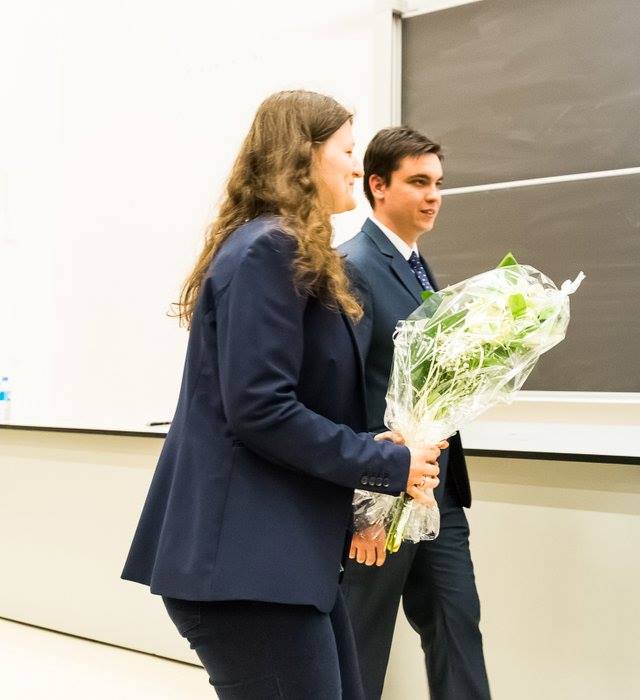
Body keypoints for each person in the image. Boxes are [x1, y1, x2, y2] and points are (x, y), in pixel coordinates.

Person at [121, 91, 444, 699]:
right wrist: (384, 462)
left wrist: (375, 447)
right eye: (346, 151)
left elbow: (291, 402)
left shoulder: (280, 248)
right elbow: (261, 410)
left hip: (279, 560)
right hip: (246, 565)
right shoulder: (269, 249)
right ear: (304, 155)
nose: (356, 167)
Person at [337, 126, 491, 700]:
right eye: (419, 183)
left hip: (437, 492)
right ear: (378, 186)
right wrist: (365, 506)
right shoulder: (352, 265)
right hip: (384, 495)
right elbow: (343, 390)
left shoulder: (418, 267)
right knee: (361, 639)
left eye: (439, 184)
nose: (434, 196)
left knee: (458, 623)